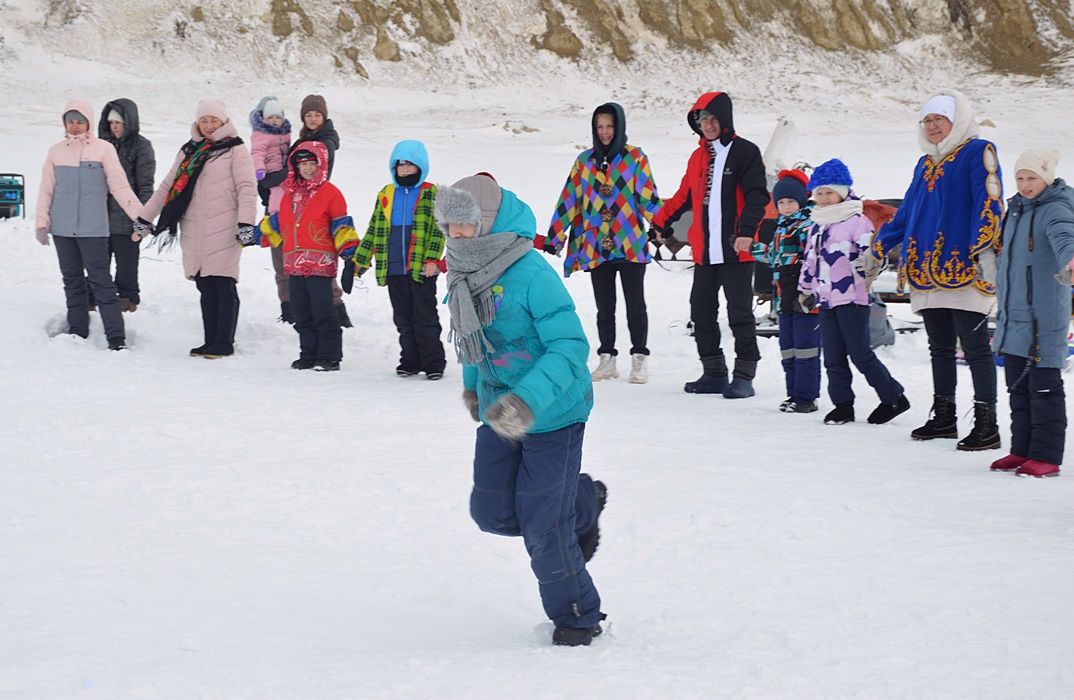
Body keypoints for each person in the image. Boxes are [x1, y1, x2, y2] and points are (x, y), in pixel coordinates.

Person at [436, 173, 607, 647]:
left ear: (487, 222)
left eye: (464, 226)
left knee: (543, 528)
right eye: (448, 227)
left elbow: (570, 348)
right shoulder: (464, 269)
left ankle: (578, 615)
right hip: (499, 411)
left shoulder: (530, 272)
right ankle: (581, 501)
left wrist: (527, 402)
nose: (455, 236)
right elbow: (476, 343)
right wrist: (474, 389)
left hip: (554, 415)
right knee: (491, 512)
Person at [868, 90, 1004, 451]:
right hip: (926, 270)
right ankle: (944, 416)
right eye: (926, 121)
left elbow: (988, 201)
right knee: (939, 348)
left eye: (938, 120)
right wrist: (879, 246)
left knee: (974, 349)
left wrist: (986, 249)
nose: (931, 127)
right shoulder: (924, 163)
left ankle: (987, 424)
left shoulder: (979, 151)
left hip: (964, 266)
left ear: (955, 121)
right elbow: (909, 211)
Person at [650, 91, 769, 397]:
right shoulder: (698, 156)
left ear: (724, 119)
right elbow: (683, 196)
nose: (709, 125)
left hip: (735, 249)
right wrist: (659, 222)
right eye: (703, 120)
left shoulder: (745, 152)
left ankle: (744, 374)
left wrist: (746, 231)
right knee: (701, 311)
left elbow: (757, 195)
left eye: (713, 118)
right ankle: (714, 372)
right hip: (705, 252)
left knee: (739, 313)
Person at [545, 102, 661, 383]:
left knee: (636, 303)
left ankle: (639, 357)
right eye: (600, 127)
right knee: (604, 306)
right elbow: (569, 199)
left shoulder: (634, 157)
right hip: (596, 243)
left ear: (619, 127)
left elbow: (647, 195)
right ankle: (607, 358)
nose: (605, 132)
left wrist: (660, 225)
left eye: (610, 126)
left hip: (629, 240)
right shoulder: (585, 161)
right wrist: (555, 235)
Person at [134, 99, 258, 358]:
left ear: (223, 121)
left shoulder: (235, 149)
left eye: (214, 120)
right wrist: (144, 219)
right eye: (204, 120)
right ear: (197, 122)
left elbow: (247, 187)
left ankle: (224, 342)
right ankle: (209, 341)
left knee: (223, 283)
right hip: (193, 227)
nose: (209, 125)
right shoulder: (189, 150)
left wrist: (246, 223)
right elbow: (167, 187)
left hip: (225, 227)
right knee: (204, 284)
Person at [799, 159, 910, 425]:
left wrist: (865, 269)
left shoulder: (856, 221)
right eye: (819, 193)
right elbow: (810, 260)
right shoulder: (816, 224)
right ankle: (843, 405)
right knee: (833, 355)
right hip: (826, 299)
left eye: (829, 192)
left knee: (860, 353)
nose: (824, 198)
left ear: (842, 191)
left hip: (852, 298)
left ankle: (893, 396)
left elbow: (872, 256)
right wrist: (805, 289)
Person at [990, 150, 1074, 478]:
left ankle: (1047, 456)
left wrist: (1071, 260)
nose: (1025, 185)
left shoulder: (1055, 208)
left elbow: (1066, 237)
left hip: (1043, 317)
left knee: (1044, 389)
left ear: (1047, 178)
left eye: (1032, 178)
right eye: (1020, 178)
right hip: (1014, 315)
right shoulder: (1016, 211)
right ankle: (1021, 450)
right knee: (1018, 388)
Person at [35, 100, 143, 350]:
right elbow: (46, 190)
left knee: (102, 283)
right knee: (72, 280)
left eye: (79, 121)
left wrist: (140, 218)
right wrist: (42, 223)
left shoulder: (104, 149)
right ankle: (78, 331)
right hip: (62, 229)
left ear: (89, 122)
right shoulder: (55, 151)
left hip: (93, 229)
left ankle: (116, 338)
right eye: (70, 121)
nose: (75, 126)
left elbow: (119, 186)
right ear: (64, 123)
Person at [257, 143, 358, 371]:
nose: (308, 169)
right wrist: (252, 233)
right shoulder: (289, 195)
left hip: (320, 265)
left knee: (323, 311)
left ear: (321, 164)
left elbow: (341, 226)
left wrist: (350, 257)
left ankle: (330, 356)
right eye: (304, 164)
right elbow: (277, 224)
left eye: (313, 164)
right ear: (295, 166)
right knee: (301, 312)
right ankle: (308, 354)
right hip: (294, 265)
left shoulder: (330, 192)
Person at [353, 139, 446, 379]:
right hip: (393, 266)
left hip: (421, 268)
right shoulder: (386, 194)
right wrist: (360, 260)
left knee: (425, 316)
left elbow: (438, 231)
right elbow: (374, 229)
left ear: (420, 166)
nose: (404, 169)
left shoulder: (431, 193)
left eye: (410, 164)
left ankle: (433, 362)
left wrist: (432, 259)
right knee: (403, 318)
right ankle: (410, 360)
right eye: (400, 164)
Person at [263, 94, 350, 328]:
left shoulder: (324, 142)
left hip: (308, 209)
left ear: (324, 116)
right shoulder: (305, 138)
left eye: (317, 115)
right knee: (287, 261)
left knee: (313, 262)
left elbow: (312, 177)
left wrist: (269, 180)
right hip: (290, 205)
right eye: (308, 115)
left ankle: (334, 312)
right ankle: (292, 309)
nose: (312, 119)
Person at [751, 169, 820, 412]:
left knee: (806, 348)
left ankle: (806, 397)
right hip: (783, 297)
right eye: (781, 202)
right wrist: (751, 248)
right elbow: (773, 257)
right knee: (788, 348)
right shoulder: (781, 228)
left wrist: (808, 290)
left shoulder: (807, 225)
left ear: (801, 201)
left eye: (791, 201)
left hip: (803, 297)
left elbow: (813, 260)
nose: (786, 206)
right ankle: (793, 394)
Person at [97, 98, 156, 312]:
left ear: (129, 122)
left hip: (127, 217)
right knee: (98, 262)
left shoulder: (142, 146)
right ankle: (96, 295)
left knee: (127, 264)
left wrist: (143, 218)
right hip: (100, 218)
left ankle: (127, 298)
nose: (115, 127)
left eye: (119, 123)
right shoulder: (101, 145)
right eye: (111, 122)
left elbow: (146, 184)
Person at [249, 96, 294, 322]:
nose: (275, 121)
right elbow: (256, 154)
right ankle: (287, 307)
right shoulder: (261, 135)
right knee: (279, 255)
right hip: (271, 178)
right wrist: (260, 173)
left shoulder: (286, 135)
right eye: (271, 117)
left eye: (278, 117)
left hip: (286, 184)